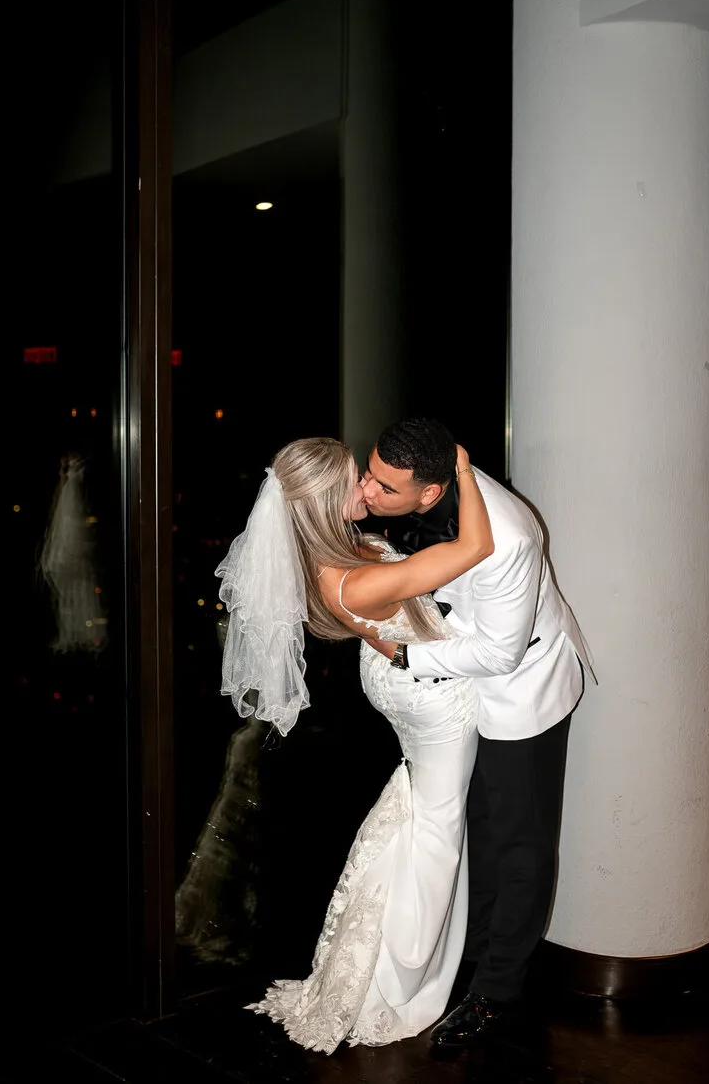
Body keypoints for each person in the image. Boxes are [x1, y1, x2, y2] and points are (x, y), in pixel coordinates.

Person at [214, 435, 494, 1053]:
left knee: (420, 813)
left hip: (402, 677)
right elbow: (475, 547)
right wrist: (463, 470)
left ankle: (393, 960)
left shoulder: (334, 550)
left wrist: (399, 647)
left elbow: (378, 618)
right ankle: (399, 981)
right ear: (323, 503)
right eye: (355, 481)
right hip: (429, 702)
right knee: (438, 832)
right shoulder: (350, 576)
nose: (367, 489)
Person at [362, 416, 594, 1048]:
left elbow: (499, 653)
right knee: (480, 828)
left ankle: (498, 993)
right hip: (467, 682)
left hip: (522, 691)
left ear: (430, 492)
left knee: (518, 842)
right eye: (369, 473)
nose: (368, 491)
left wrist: (406, 656)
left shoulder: (509, 540)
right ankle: (476, 957)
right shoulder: (432, 477)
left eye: (384, 487)